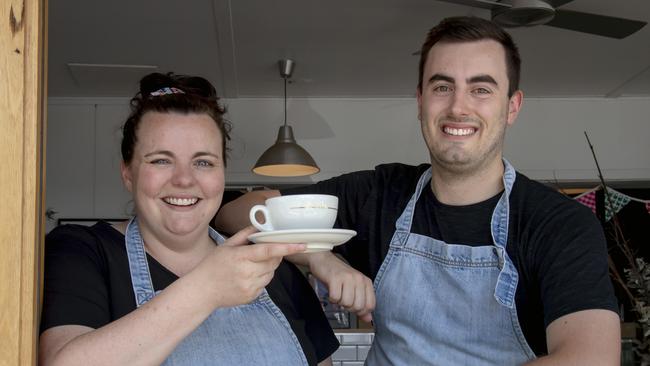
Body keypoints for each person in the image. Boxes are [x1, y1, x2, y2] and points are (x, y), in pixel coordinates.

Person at [215, 16, 621, 365]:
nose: (458, 107)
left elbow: (590, 358)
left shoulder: (560, 224)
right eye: (442, 87)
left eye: (481, 89)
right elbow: (234, 211)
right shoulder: (379, 194)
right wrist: (319, 256)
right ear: (421, 99)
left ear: (512, 107)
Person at [39, 72, 338, 365]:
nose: (184, 179)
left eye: (203, 162)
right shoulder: (82, 252)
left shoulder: (274, 269)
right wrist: (205, 289)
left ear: (222, 173)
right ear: (128, 173)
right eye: (161, 160)